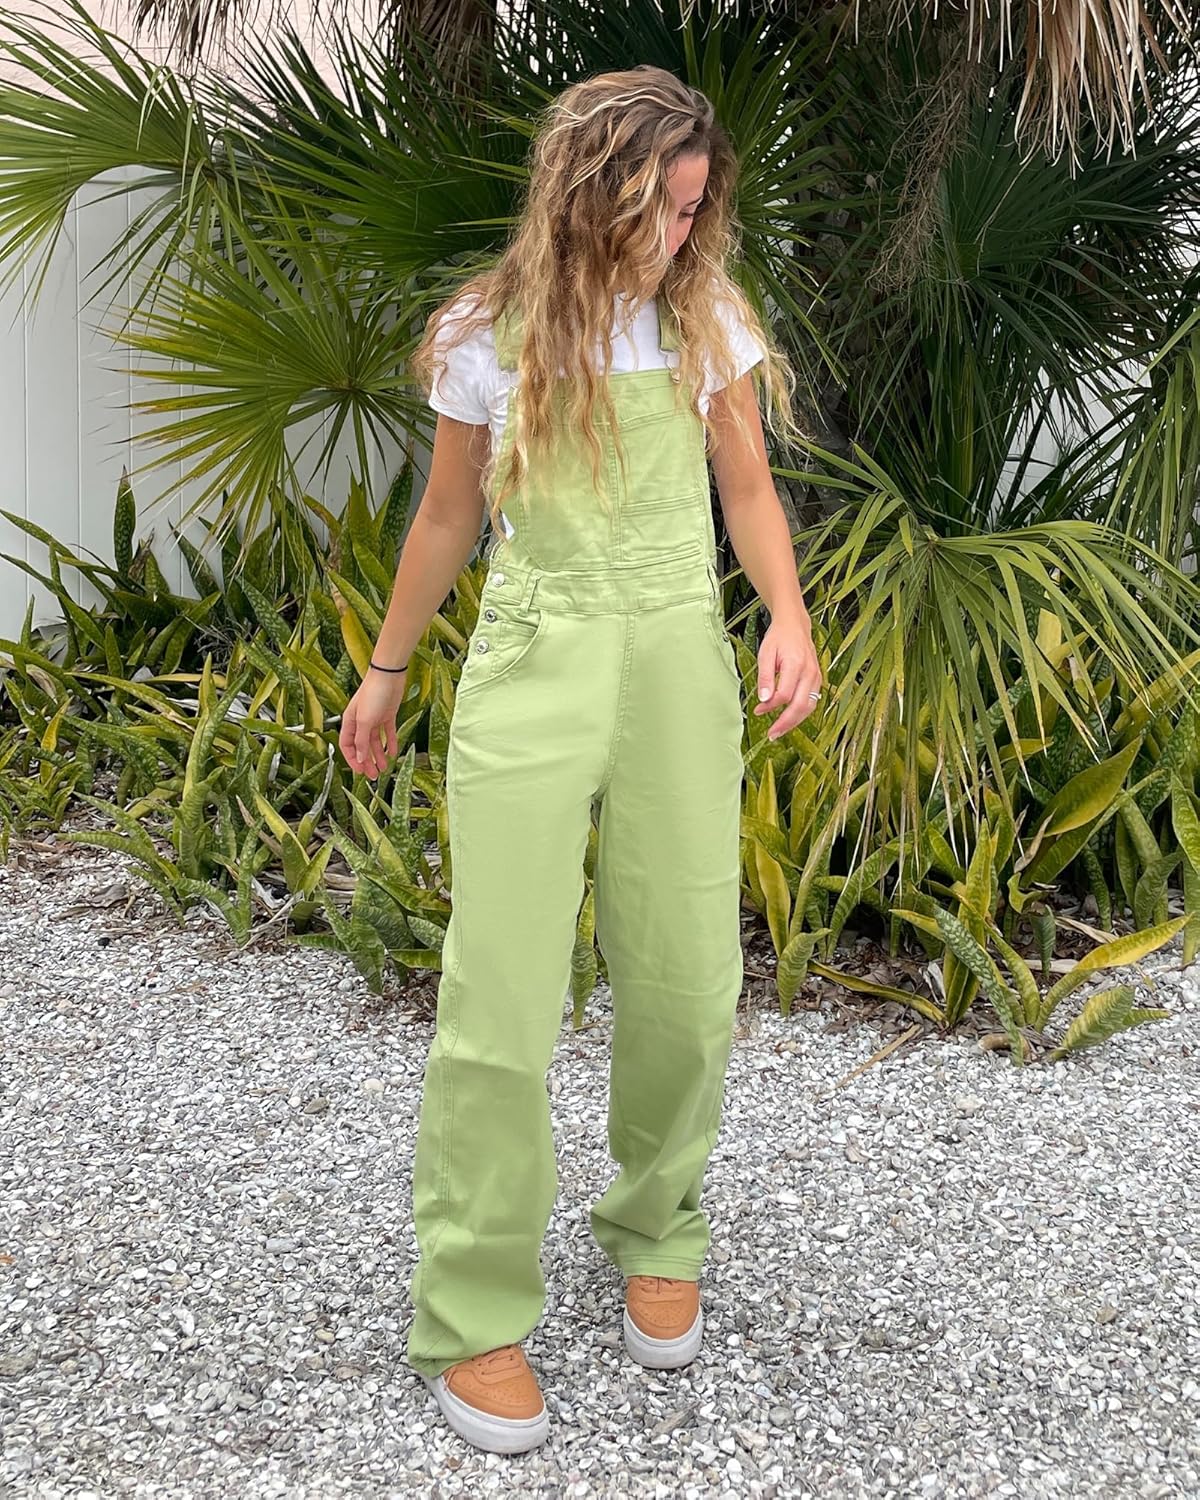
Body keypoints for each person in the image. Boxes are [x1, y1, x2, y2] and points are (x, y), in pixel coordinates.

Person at [338, 64, 822, 1455]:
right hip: (534, 661)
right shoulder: (486, 332)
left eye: (696, 208)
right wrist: (385, 670)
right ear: (590, 192)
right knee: (499, 994)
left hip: (676, 660)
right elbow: (446, 517)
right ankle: (474, 1311)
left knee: (686, 973)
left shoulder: (706, 321)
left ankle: (658, 1223)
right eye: (659, 206)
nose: (679, 234)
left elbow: (747, 488)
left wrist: (788, 617)